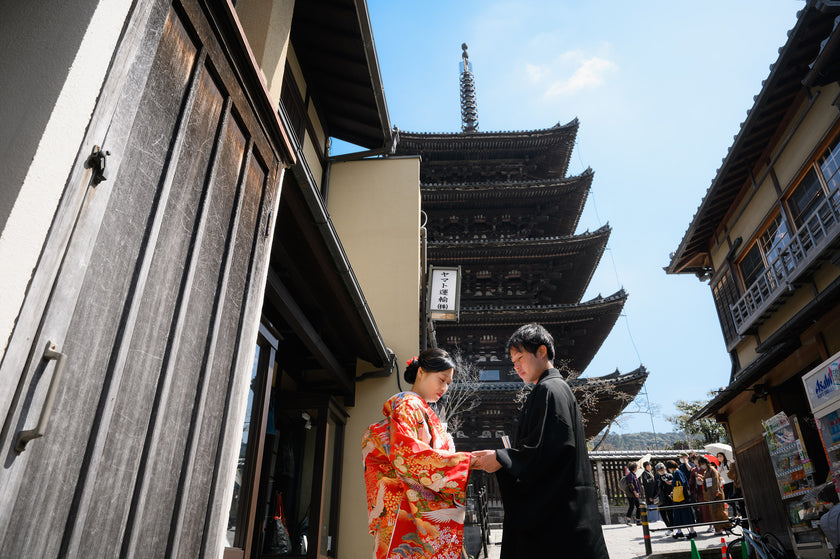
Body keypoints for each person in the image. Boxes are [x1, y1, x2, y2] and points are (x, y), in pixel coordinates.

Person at [472, 323, 609, 558]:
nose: (515, 366)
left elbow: (551, 448)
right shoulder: (552, 388)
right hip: (565, 510)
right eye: (512, 361)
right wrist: (505, 457)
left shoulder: (550, 390)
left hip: (558, 516)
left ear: (542, 351)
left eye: (520, 357)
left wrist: (502, 458)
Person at [363, 349, 478, 559]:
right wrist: (462, 463)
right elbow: (407, 455)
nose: (444, 388)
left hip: (408, 504)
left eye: (448, 383)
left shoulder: (418, 407)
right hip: (404, 506)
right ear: (421, 372)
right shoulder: (408, 404)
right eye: (441, 379)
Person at [699, 455, 730, 534]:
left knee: (720, 511)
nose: (701, 466)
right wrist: (702, 478)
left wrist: (716, 491)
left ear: (705, 463)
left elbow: (715, 481)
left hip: (716, 493)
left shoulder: (713, 470)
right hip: (710, 494)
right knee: (713, 512)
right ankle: (718, 529)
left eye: (702, 464)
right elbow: (708, 481)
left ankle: (728, 527)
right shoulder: (706, 471)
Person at [668, 460, 697, 539]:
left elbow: (681, 482)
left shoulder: (677, 472)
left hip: (680, 497)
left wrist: (672, 482)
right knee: (684, 513)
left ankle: (687, 531)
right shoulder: (679, 471)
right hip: (682, 496)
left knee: (680, 514)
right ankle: (686, 531)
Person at [655, 462, 674, 533]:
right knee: (663, 514)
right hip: (661, 498)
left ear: (664, 468)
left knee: (670, 514)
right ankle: (669, 527)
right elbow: (656, 487)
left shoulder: (669, 476)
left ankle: (671, 528)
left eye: (661, 469)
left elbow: (673, 485)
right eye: (659, 470)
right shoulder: (657, 477)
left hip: (669, 497)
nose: (660, 471)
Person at [717, 452, 734, 516]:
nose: (719, 457)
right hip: (724, 483)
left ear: (723, 457)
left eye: (720, 456)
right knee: (726, 499)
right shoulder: (718, 466)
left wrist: (724, 470)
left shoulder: (728, 463)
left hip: (731, 482)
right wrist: (720, 470)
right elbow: (719, 474)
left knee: (732, 497)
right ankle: (737, 509)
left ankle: (735, 514)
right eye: (718, 456)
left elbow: (731, 471)